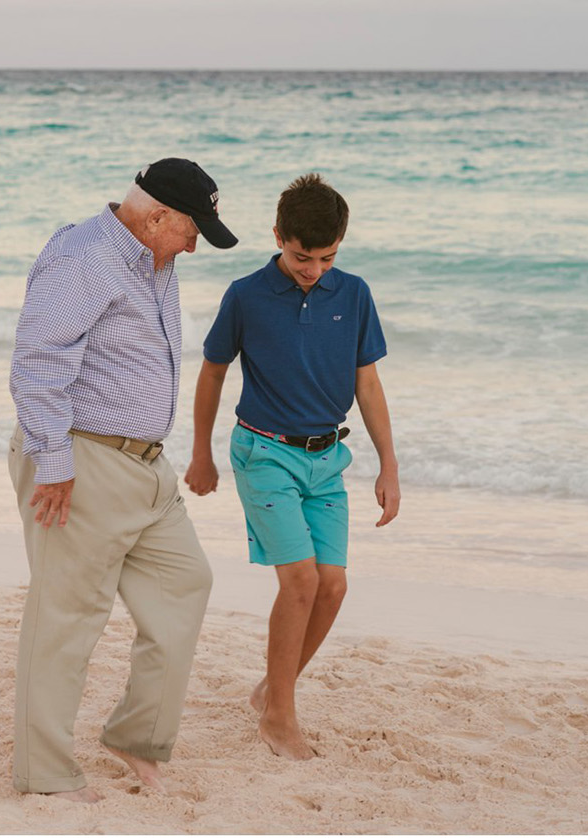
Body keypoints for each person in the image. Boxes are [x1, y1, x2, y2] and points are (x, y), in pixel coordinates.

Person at [6, 157, 237, 800]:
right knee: (67, 618)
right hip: (81, 460)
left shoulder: (154, 258)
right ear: (156, 214)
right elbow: (38, 360)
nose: (196, 243)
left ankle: (136, 739)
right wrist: (53, 464)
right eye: (192, 229)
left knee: (185, 582)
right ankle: (47, 775)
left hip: (145, 465)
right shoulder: (90, 259)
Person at [184, 173, 400, 760]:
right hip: (264, 453)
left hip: (327, 459)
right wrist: (201, 452)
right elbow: (212, 372)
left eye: (328, 257)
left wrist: (389, 465)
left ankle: (271, 692)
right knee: (300, 581)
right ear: (278, 236)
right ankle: (280, 717)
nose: (314, 270)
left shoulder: (353, 294)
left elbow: (369, 382)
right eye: (303, 256)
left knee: (332, 586)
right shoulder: (246, 294)